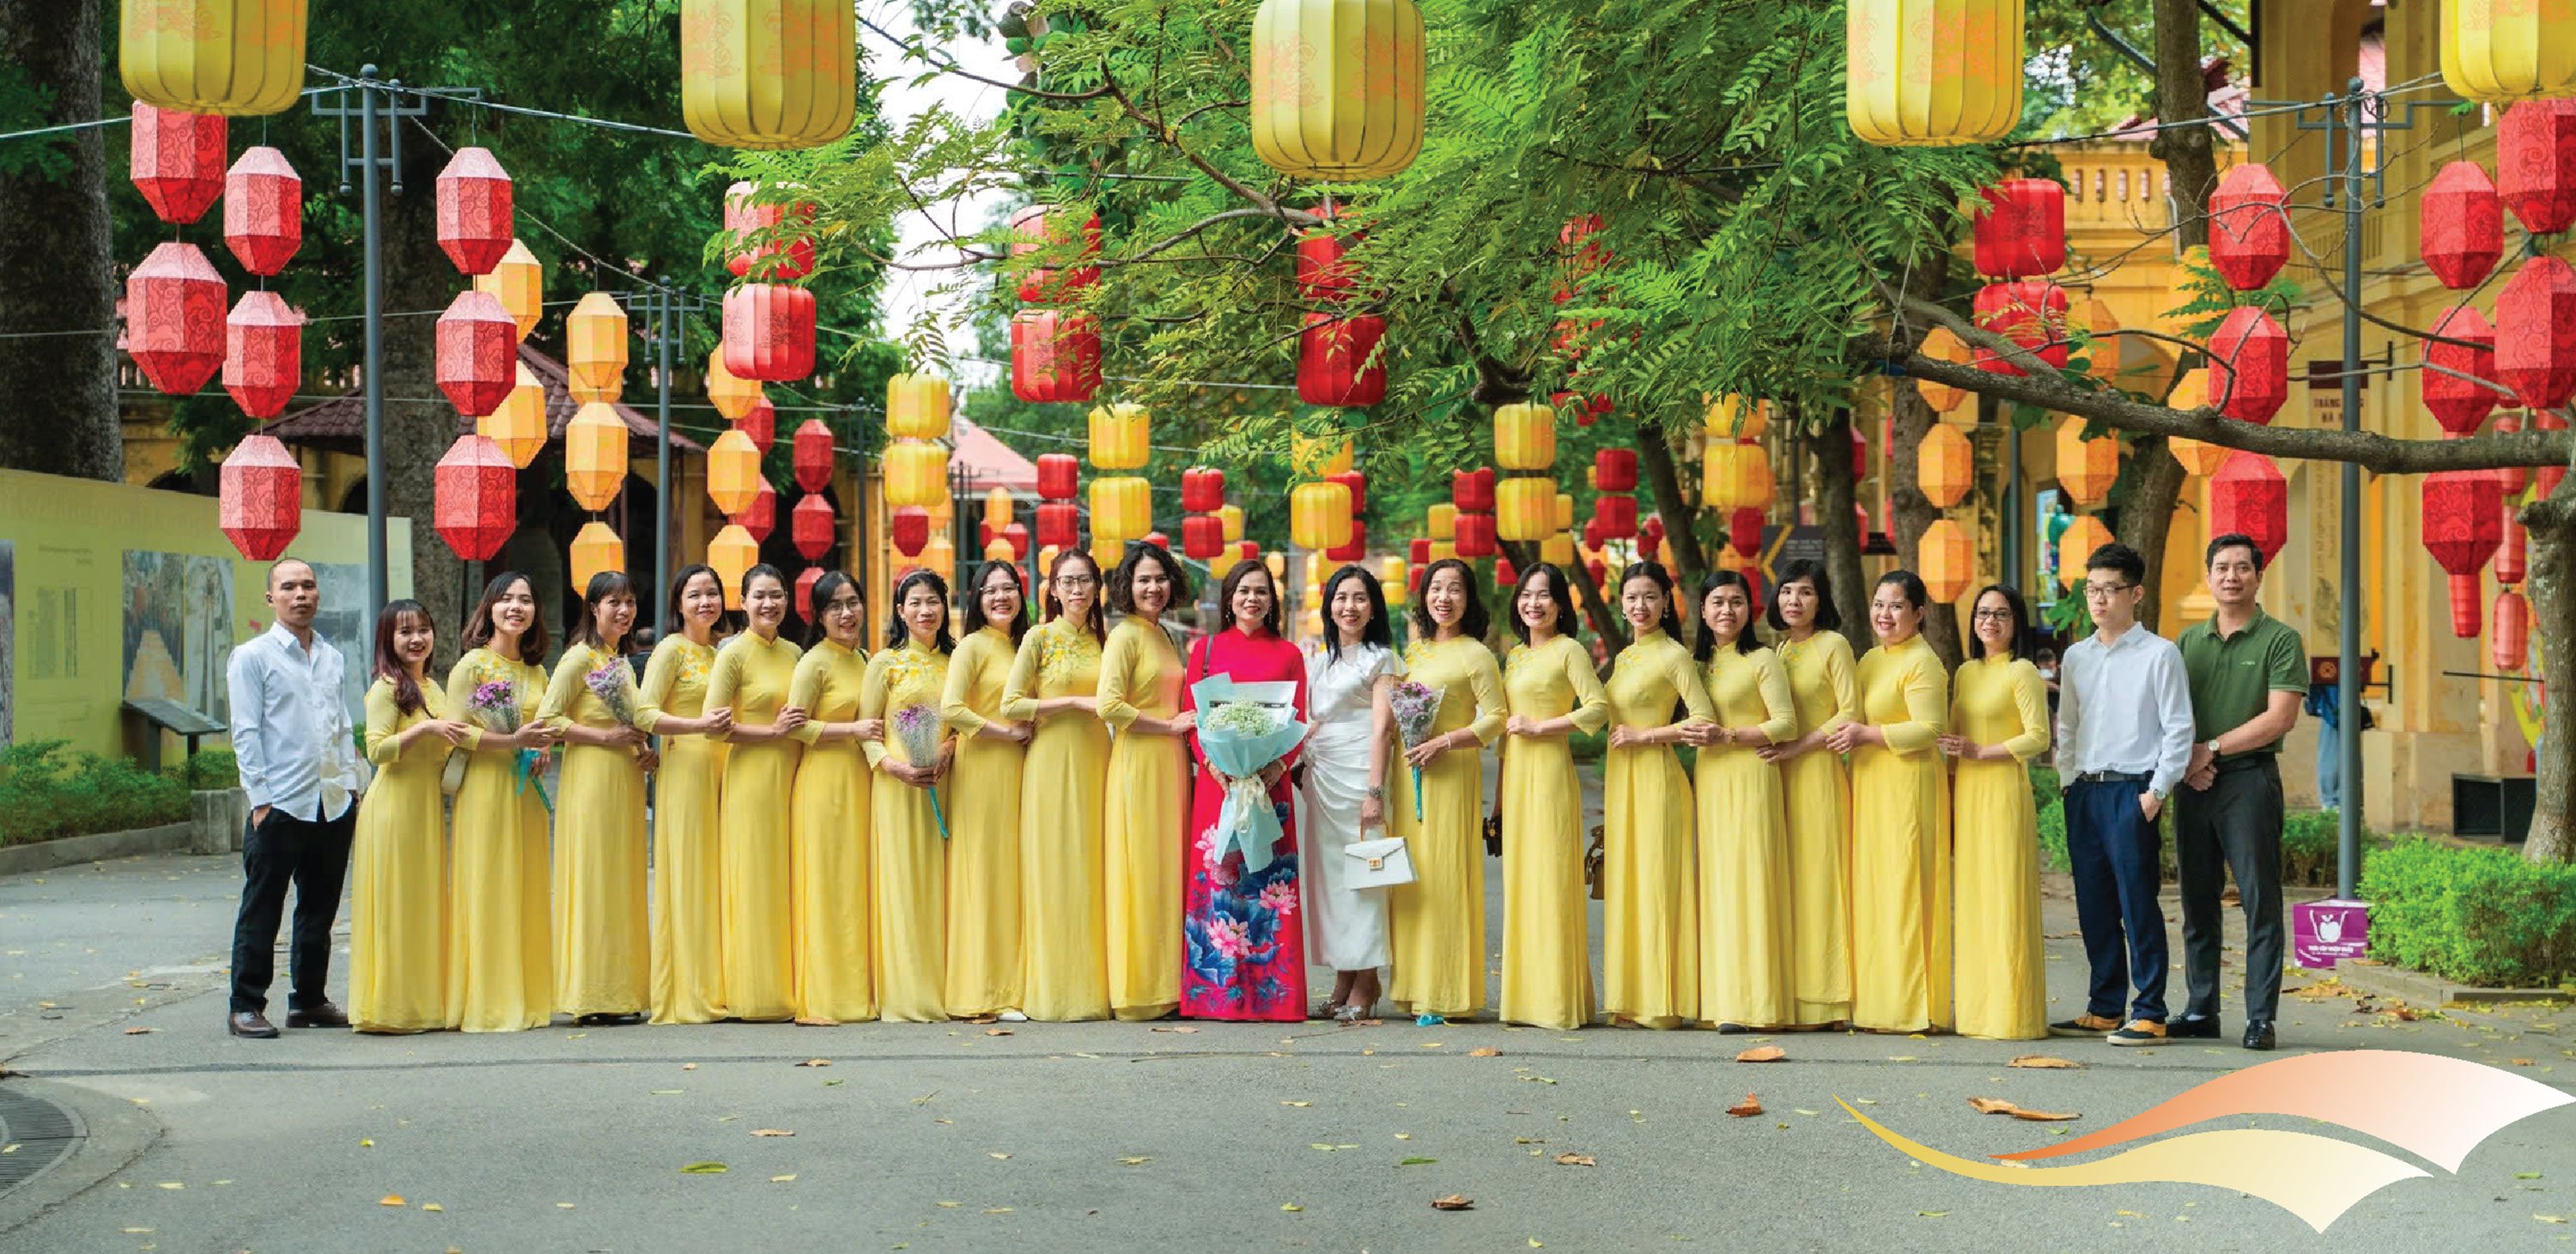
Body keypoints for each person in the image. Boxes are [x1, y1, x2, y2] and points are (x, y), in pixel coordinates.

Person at [2052, 541, 2196, 1046]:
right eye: (2092, 589)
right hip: (2085, 793)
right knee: (2093, 904)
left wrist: (2157, 792)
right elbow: (2066, 725)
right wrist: (2067, 781)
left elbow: (2178, 728)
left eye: (2110, 590)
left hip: (2133, 792)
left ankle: (2151, 1010)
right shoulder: (2076, 657)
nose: (2099, 600)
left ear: (2135, 593)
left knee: (2138, 903)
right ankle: (2105, 1005)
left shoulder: (2161, 654)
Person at [2174, 533, 2307, 1052]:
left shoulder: (2279, 639)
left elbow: (2280, 717)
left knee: (2259, 900)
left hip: (2249, 781)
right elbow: (2170, 711)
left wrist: (2210, 750)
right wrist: (2190, 761)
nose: (2232, 576)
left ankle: (2259, 1017)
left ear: (2258, 576)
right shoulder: (2186, 642)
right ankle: (2201, 1008)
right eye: (2222, 568)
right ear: (2208, 577)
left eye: (2242, 568)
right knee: (2196, 900)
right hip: (2194, 781)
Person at [226, 558, 368, 1038]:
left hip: (331, 801)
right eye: (288, 587)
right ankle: (245, 1004)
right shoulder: (253, 657)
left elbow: (341, 722)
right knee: (262, 908)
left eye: (308, 586)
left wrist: (351, 783)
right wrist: (260, 800)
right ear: (271, 598)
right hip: (281, 804)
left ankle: (308, 1000)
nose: (300, 594)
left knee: (319, 908)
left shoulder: (331, 655)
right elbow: (245, 733)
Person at [543, 572, 692, 1026]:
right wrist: (605, 737)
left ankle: (621, 990)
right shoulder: (578, 660)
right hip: (590, 779)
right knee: (593, 880)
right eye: (614, 602)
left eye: (629, 602)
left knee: (622, 881)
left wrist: (641, 750)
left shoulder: (622, 663)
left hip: (625, 781)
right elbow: (548, 720)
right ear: (593, 608)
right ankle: (590, 995)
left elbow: (632, 722)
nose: (624, 611)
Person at [1179, 560, 1311, 1021]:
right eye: (1243, 591)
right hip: (1220, 789)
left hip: (1267, 787)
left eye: (1261, 591)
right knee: (1221, 881)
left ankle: (1274, 996)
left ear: (1272, 600)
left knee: (1269, 884)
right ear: (1228, 598)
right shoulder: (1206, 650)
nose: (1252, 599)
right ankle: (1216, 996)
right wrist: (1213, 766)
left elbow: (1298, 722)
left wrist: (1277, 767)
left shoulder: (1290, 654)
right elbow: (1193, 719)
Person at [1831, 571, 1951, 1034]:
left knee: (1906, 893)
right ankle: (1878, 1003)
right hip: (1870, 786)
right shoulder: (1869, 660)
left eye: (1896, 606)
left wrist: (1869, 734)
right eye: (1879, 604)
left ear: (1919, 613)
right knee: (1875, 894)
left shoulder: (1923, 662)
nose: (1885, 614)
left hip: (1906, 786)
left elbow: (1930, 729)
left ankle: (1912, 1007)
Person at [1387, 558, 1506, 1026]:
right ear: (1424, 597)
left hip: (1453, 775)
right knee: (1412, 883)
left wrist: (1446, 740)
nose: (1444, 597)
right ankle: (1413, 987)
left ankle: (1447, 990)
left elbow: (1495, 717)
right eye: (1436, 588)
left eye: (1454, 589)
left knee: (1446, 879)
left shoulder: (1477, 654)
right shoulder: (1413, 654)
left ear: (1468, 599)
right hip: (1410, 774)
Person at [1600, 562, 1717, 1030]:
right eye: (1631, 597)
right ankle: (1631, 998)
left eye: (1650, 597)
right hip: (1621, 779)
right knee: (1629, 885)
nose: (1639, 606)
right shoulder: (1626, 656)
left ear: (1667, 602)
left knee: (1657, 885)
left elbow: (1703, 719)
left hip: (1656, 779)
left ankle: (1663, 1003)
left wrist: (1647, 736)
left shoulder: (1674, 656)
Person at [445, 571, 562, 1032]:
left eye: (526, 600)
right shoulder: (472, 665)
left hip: (526, 795)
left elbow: (546, 726)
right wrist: (512, 739)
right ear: (489, 609)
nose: (517, 607)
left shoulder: (536, 671)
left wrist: (541, 748)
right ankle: (488, 999)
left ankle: (527, 995)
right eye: (507, 599)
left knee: (525, 886)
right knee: (490, 885)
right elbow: (453, 733)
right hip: (487, 790)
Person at [349, 600, 471, 1034]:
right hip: (394, 808)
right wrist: (425, 729)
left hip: (425, 808)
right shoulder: (386, 688)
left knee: (422, 903)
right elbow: (376, 750)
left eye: (423, 629)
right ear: (388, 639)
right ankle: (391, 1008)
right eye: (405, 632)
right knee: (398, 904)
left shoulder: (435, 689)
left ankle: (424, 1003)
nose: (416, 639)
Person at [1496, 563, 1608, 1031]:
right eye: (1526, 594)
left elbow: (1598, 708)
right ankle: (1524, 1001)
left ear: (1561, 605)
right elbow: (1504, 733)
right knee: (1521, 882)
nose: (1533, 603)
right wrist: (1498, 803)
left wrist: (1542, 726)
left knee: (1550, 879)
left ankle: (1558, 1002)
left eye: (1544, 595)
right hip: (1517, 775)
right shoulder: (1516, 656)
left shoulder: (1570, 651)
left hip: (1549, 772)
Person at [1003, 551, 1114, 1021]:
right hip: (1049, 761)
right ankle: (1051, 989)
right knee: (1051, 867)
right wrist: (1069, 701)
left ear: (1096, 587)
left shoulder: (1106, 640)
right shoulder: (1038, 639)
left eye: (1085, 580)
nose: (1076, 590)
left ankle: (1095, 987)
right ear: (1051, 590)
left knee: (1092, 866)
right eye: (1067, 581)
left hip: (1096, 759)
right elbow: (1011, 703)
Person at [1940, 584, 2052, 1041]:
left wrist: (1982, 751)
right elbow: (1951, 739)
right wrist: (1946, 796)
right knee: (1973, 903)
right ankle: (1976, 1013)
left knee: (2005, 900)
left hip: (2003, 790)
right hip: (1967, 793)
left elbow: (2038, 737)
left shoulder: (2022, 671)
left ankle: (2013, 1015)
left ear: (2016, 622)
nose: (1990, 621)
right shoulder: (1966, 673)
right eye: (1983, 613)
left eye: (2001, 614)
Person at [1686, 570, 1796, 1032]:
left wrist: (1729, 734)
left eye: (1735, 602)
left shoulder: (1762, 658)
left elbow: (1786, 724)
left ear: (1749, 610)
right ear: (1703, 610)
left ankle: (1757, 1005)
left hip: (1751, 775)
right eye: (1717, 602)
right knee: (1717, 886)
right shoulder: (1697, 662)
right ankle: (1721, 1000)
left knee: (1751, 884)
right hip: (1710, 778)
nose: (1726, 611)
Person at [1097, 544, 1196, 1021]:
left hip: (1172, 766)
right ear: (1126, 588)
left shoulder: (1163, 635)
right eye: (1142, 580)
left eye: (1159, 579)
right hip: (1139, 762)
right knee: (1140, 871)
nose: (1152, 588)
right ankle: (1139, 990)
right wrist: (1169, 725)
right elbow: (1109, 705)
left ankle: (1171, 984)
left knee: (1168, 869)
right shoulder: (1124, 637)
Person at [1301, 563, 1404, 1022]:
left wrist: (1375, 790)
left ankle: (1368, 978)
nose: (1350, 607)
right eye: (1341, 598)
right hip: (1321, 780)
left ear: (1373, 607)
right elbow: (1310, 719)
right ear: (1329, 605)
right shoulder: (1320, 661)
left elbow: (1383, 728)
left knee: (1364, 878)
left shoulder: (1382, 659)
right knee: (1332, 883)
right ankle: (1343, 975)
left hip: (1361, 775)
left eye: (1360, 598)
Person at [706, 564, 806, 1022]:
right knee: (754, 882)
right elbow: (715, 726)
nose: (770, 604)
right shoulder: (733, 655)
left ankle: (792, 984)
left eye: (777, 595)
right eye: (760, 596)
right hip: (750, 779)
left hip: (792, 776)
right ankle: (755, 993)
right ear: (742, 603)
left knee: (787, 881)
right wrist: (772, 731)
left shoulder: (794, 653)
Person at [1762, 560, 1858, 1029]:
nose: (1793, 601)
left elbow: (1850, 711)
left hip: (1817, 774)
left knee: (1821, 882)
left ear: (1822, 600)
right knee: (1788, 883)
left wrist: (1800, 746)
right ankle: (1793, 995)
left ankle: (1828, 1000)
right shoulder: (1779, 651)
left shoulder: (1833, 645)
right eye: (1786, 591)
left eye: (1805, 592)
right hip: (1777, 777)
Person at [782, 570, 878, 1024]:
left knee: (855, 887)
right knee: (826, 886)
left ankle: (858, 990)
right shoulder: (813, 663)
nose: (847, 613)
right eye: (835, 606)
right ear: (819, 616)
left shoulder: (864, 658)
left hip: (862, 783)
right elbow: (794, 726)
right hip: (823, 785)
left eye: (853, 602)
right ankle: (824, 996)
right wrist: (851, 729)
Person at [641, 565, 735, 1025]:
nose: (705, 603)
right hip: (686, 772)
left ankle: (724, 979)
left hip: (726, 769)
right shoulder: (670, 651)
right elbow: (644, 712)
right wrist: (697, 726)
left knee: (721, 874)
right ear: (679, 603)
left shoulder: (725, 651)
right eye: (695, 594)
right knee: (692, 875)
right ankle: (689, 989)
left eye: (712, 594)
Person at [863, 569, 957, 1023]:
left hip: (946, 781)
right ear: (900, 612)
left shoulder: (955, 661)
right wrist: (894, 767)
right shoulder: (884, 663)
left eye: (933, 601)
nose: (925, 610)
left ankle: (947, 986)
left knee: (943, 885)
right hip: (896, 784)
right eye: (915, 603)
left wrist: (947, 748)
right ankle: (905, 993)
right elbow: (866, 731)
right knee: (903, 882)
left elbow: (961, 722)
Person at [941, 561, 1033, 1020]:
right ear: (977, 599)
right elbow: (951, 708)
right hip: (981, 769)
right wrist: (1004, 734)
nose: (1001, 597)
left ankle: (1017, 984)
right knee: (983, 872)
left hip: (1021, 770)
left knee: (1015, 873)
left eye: (1010, 588)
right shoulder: (972, 647)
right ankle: (983, 989)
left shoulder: (1025, 645)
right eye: (991, 590)